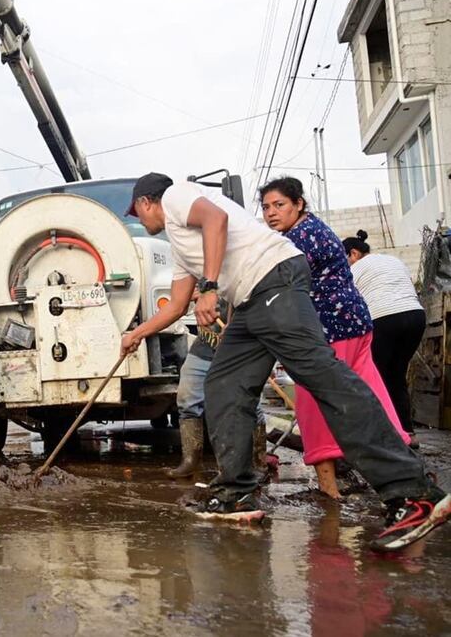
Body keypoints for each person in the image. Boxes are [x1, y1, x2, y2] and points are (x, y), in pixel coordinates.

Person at [120, 172, 447, 552]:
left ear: (146, 202)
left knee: (325, 378)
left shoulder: (177, 196)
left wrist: (209, 287)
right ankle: (236, 493)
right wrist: (137, 334)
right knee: (224, 383)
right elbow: (176, 305)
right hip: (250, 301)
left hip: (273, 280)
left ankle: (412, 494)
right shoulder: (180, 245)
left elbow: (216, 220)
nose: (141, 220)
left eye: (138, 213)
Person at [261, 177, 409, 498]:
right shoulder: (316, 228)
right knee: (371, 396)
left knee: (314, 403)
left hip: (327, 330)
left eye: (279, 205)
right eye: (266, 207)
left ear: (298, 203)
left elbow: (276, 282)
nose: (271, 213)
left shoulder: (299, 238)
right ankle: (410, 474)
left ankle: (329, 489)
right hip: (355, 322)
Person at [166, 301, 268, 478]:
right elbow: (180, 300)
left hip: (239, 346)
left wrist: (237, 324)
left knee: (247, 403)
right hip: (205, 345)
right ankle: (190, 462)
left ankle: (258, 463)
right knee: (187, 399)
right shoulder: (201, 278)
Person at [344, 230, 425, 444]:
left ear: (353, 253)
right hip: (416, 317)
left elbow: (351, 304)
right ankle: (408, 432)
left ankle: (385, 436)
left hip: (384, 318)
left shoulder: (355, 269)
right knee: (396, 374)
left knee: (377, 377)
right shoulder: (393, 260)